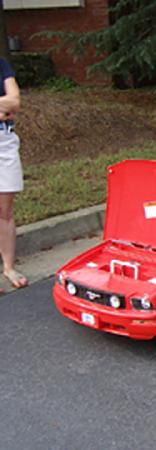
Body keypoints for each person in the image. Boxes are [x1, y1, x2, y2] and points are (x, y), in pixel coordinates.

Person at [0, 58, 27, 292]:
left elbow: (15, 102)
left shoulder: (1, 65)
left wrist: (8, 106)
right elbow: (6, 102)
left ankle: (8, 267)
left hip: (4, 144)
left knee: (4, 211)